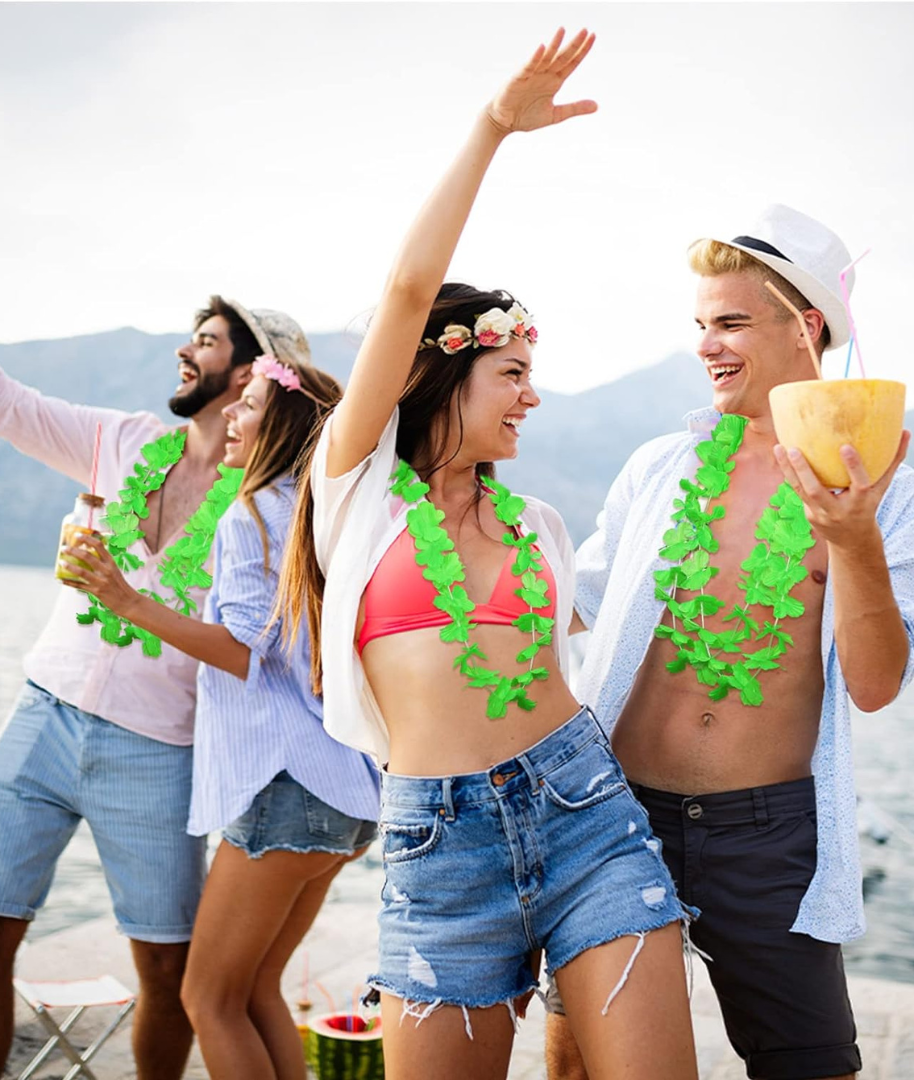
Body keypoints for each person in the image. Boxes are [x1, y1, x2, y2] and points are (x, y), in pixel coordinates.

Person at [279, 31, 698, 1080]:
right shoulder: (358, 488)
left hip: (584, 812)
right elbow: (411, 285)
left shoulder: (541, 530)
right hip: (438, 843)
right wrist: (493, 130)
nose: (532, 395)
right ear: (442, 372)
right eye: (512, 370)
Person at [0, 231, 309, 1080]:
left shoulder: (270, 504)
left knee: (166, 968)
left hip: (160, 750)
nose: (183, 348)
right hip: (41, 714)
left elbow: (261, 648)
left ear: (250, 373)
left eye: (205, 340)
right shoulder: (120, 443)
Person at [545, 205, 914, 1080]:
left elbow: (874, 684)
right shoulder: (662, 466)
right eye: (701, 324)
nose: (708, 344)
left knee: (812, 1065)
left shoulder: (886, 481)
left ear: (807, 327)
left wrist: (851, 538)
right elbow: (568, 604)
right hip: (617, 814)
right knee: (580, 1061)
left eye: (732, 322)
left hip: (769, 834)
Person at [59, 352, 382, 1080]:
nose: (231, 416)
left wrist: (125, 598)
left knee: (206, 998)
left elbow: (243, 650)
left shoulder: (250, 514)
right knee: (254, 988)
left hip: (284, 789)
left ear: (282, 424)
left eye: (249, 406)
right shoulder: (321, 514)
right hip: (346, 795)